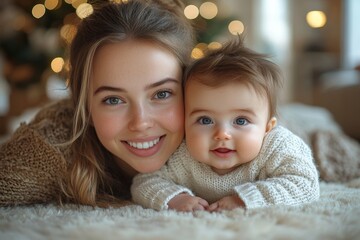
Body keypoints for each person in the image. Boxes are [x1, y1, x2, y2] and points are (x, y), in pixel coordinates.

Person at [0, 0, 195, 207]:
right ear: (85, 106)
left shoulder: (222, 126)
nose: (140, 122)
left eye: (162, 94)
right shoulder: (51, 148)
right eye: (113, 100)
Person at [131, 37, 320, 212]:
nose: (222, 134)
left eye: (240, 121)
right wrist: (176, 199)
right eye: (205, 120)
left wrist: (244, 200)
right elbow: (144, 181)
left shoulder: (276, 145)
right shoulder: (183, 154)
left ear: (267, 128)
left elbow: (305, 184)